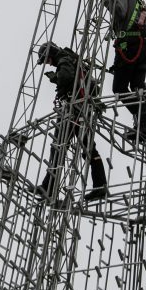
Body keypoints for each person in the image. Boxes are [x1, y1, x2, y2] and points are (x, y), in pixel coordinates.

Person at [35, 42, 108, 203]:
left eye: (47, 59)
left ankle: (49, 187)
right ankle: (100, 185)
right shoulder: (69, 58)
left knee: (59, 146)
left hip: (73, 111)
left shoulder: (63, 59)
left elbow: (67, 78)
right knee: (85, 148)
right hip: (80, 109)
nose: (48, 63)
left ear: (51, 53)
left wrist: (56, 79)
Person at [98, 0, 146, 141]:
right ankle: (143, 124)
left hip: (128, 46)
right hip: (142, 46)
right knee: (138, 86)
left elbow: (120, 11)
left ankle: (143, 120)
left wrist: (106, 0)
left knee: (119, 88)